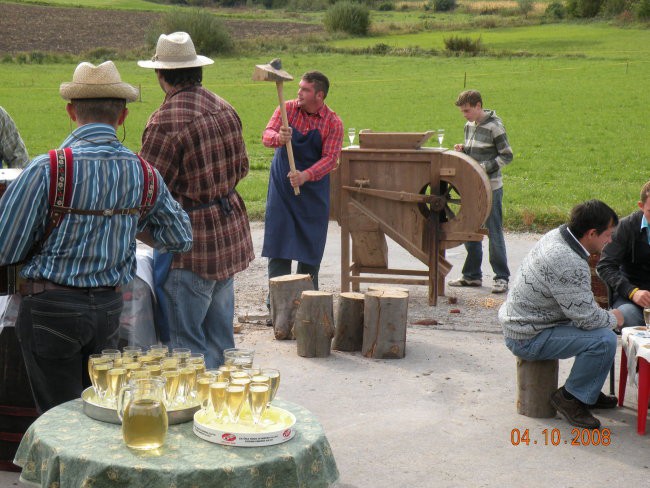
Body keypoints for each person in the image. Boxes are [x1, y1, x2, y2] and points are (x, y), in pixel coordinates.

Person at [0, 61, 193, 413]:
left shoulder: (48, 168)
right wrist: (128, 221)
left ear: (71, 111)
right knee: (100, 412)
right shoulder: (143, 173)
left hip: (49, 309)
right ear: (122, 117)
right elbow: (180, 236)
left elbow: (4, 247)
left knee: (59, 420)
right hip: (109, 311)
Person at [138, 32, 254, 369]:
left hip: (189, 248)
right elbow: (243, 167)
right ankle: (226, 416)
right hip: (228, 236)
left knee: (185, 351)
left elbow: (148, 191)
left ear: (161, 75)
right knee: (221, 343)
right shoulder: (224, 106)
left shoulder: (165, 121)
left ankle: (195, 418)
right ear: (197, 70)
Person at [499, 200, 623, 429]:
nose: (610, 241)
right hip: (527, 336)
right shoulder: (567, 261)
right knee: (604, 340)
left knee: (600, 332)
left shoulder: (558, 235)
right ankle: (570, 398)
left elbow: (580, 308)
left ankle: (587, 390)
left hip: (527, 323)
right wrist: (616, 317)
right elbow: (587, 318)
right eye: (607, 235)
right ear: (591, 233)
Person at [261, 69, 343, 297]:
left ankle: (308, 302)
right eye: (299, 88)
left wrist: (305, 175)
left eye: (305, 90)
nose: (299, 92)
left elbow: (330, 159)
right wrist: (278, 138)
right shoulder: (286, 109)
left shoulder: (333, 122)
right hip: (282, 190)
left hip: (313, 193)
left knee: (310, 247)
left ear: (320, 95)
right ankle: (277, 304)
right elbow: (266, 135)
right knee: (279, 246)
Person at [450, 90, 513, 294]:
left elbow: (506, 156)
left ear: (478, 106)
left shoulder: (495, 127)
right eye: (462, 112)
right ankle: (471, 275)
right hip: (471, 187)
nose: (465, 115)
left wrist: (482, 168)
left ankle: (501, 277)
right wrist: (464, 150)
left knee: (494, 231)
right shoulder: (469, 125)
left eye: (467, 110)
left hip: (491, 187)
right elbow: (475, 152)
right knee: (470, 229)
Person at [597, 181, 650, 328]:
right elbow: (605, 265)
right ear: (641, 206)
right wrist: (633, 292)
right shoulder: (626, 227)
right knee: (628, 315)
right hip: (631, 297)